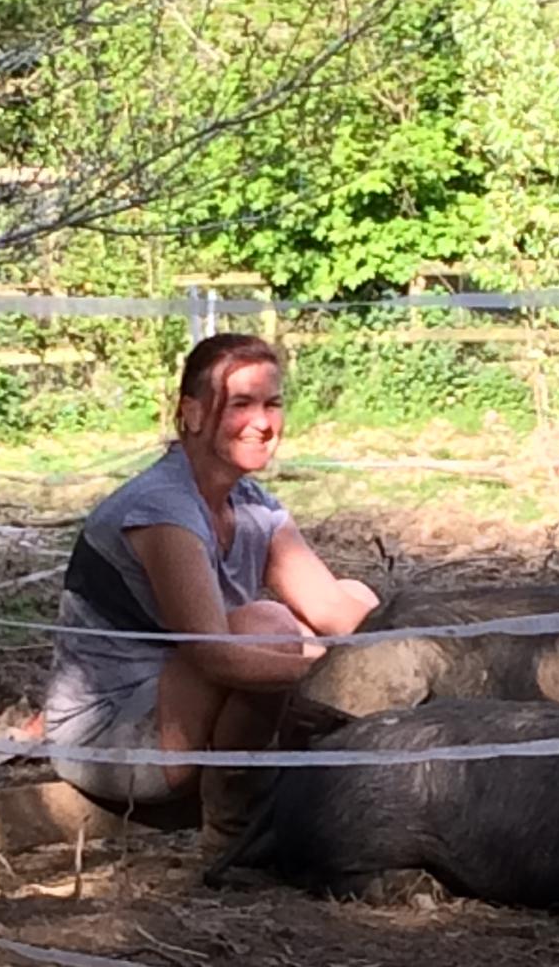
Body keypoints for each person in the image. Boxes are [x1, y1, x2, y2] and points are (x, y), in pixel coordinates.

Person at [43, 333, 379, 850]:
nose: (263, 423)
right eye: (241, 404)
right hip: (113, 739)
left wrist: (411, 654)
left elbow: (335, 608)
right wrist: (330, 677)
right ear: (192, 414)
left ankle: (268, 777)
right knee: (267, 628)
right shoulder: (162, 509)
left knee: (356, 596)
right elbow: (215, 656)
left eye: (272, 404)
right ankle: (232, 826)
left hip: (175, 706)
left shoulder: (252, 504)